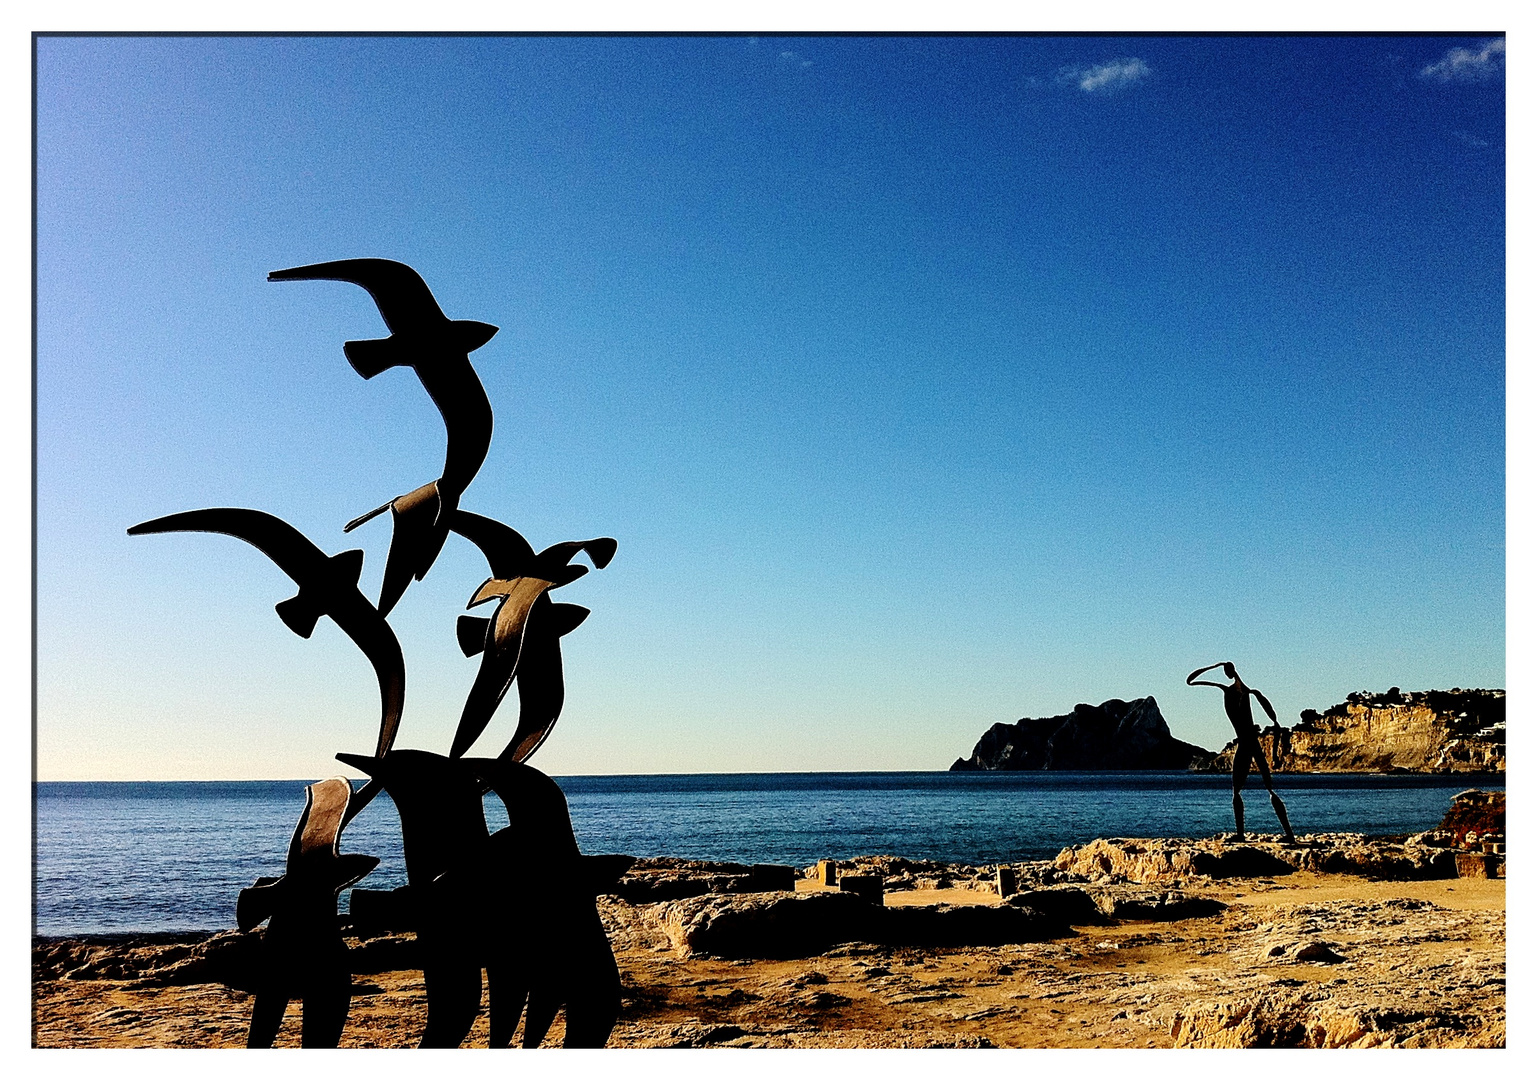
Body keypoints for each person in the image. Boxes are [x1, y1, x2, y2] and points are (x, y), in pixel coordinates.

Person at [1187, 662, 1297, 844]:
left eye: (1227, 671)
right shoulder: (1234, 690)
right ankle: (1251, 834)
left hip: (1248, 743)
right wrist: (1217, 665)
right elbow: (1190, 681)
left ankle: (1278, 834)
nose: (1226, 673)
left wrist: (1276, 754)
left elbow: (1275, 721)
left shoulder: (1247, 692)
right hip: (1248, 743)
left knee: (1257, 788)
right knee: (1244, 789)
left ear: (1231, 672)